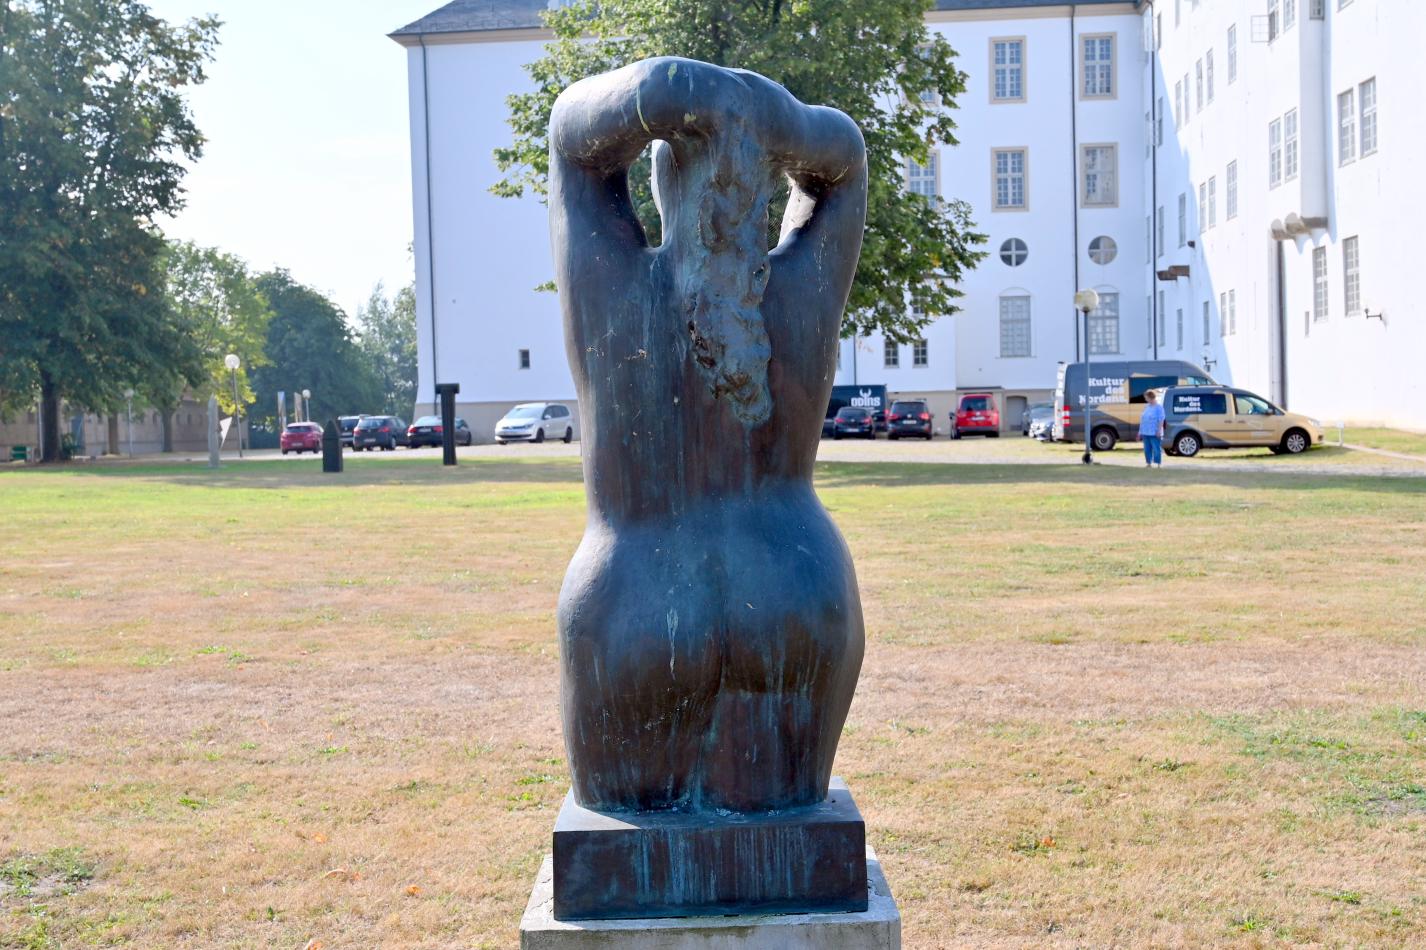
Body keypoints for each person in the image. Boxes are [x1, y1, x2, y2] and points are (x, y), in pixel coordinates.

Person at [1140, 389, 1166, 467]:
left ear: (1151, 397)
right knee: (1147, 449)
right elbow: (1142, 419)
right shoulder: (1146, 406)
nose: (1145, 399)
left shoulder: (1159, 407)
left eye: (1146, 398)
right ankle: (1148, 463)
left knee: (1156, 448)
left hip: (1154, 432)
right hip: (1145, 432)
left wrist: (1159, 430)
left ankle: (1158, 463)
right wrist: (1140, 431)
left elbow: (1161, 420)